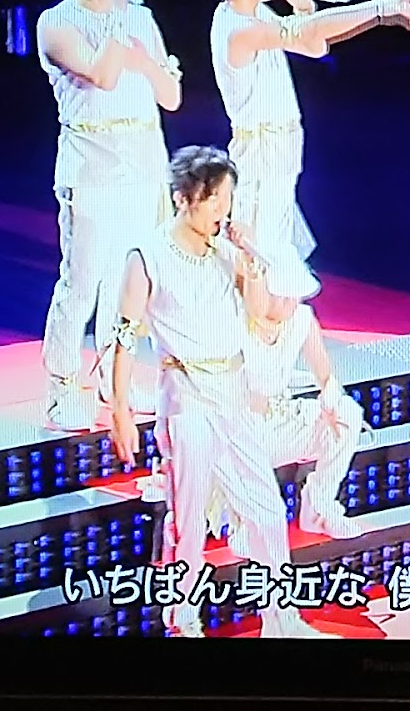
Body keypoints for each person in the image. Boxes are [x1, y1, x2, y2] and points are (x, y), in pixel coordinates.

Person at [108, 146, 330, 639]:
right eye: (213, 200)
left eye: (227, 200)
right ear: (182, 198)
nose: (222, 211)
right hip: (185, 395)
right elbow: (123, 337)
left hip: (233, 392)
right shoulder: (147, 256)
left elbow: (260, 311)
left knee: (266, 506)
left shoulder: (225, 252)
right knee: (188, 519)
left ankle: (281, 618)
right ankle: (182, 620)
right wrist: (120, 409)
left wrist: (252, 263)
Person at [204, 0, 410, 262]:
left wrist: (303, 8)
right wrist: (379, 8)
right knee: (259, 255)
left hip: (281, 149)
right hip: (261, 155)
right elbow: (305, 34)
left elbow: (314, 46)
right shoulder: (236, 28)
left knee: (275, 249)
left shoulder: (256, 13)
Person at [37, 0, 183, 430]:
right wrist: (125, 26)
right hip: (92, 164)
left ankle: (113, 377)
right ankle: (62, 385)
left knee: (129, 281)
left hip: (143, 159)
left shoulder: (140, 18)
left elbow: (171, 96)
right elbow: (102, 73)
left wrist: (148, 58)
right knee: (82, 280)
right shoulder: (56, 22)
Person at [215, 244, 369, 556]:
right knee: (235, 436)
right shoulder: (234, 321)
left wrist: (330, 401)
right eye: (282, 295)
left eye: (294, 296)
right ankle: (244, 525)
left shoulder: (301, 318)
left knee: (348, 414)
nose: (290, 303)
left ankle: (320, 506)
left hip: (282, 419)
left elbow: (325, 374)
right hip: (239, 429)